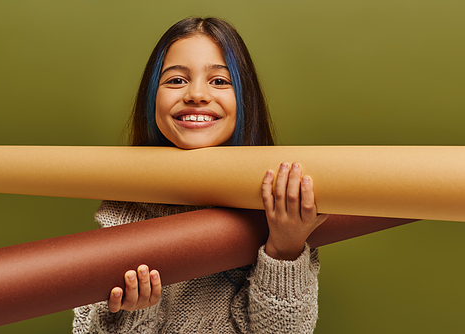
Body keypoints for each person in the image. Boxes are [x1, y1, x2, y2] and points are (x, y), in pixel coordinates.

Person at [73, 17, 329, 334]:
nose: (196, 94)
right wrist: (134, 314)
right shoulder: (122, 211)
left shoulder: (278, 206)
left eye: (220, 81)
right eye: (176, 80)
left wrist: (284, 250)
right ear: (152, 96)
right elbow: (86, 328)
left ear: (244, 100)